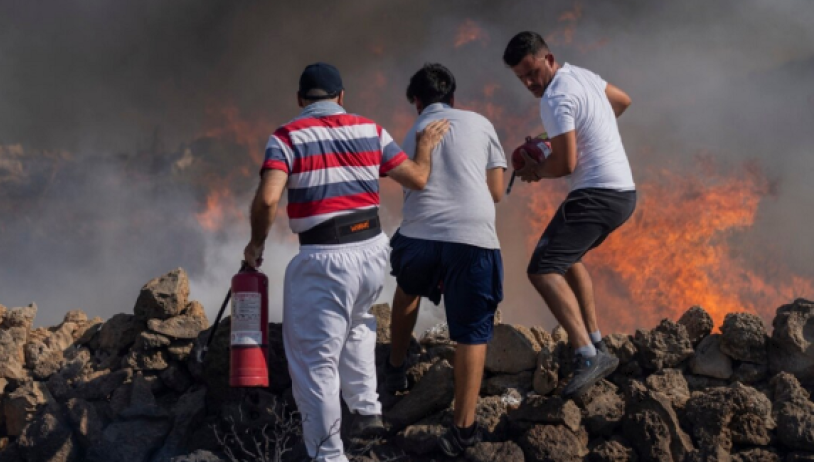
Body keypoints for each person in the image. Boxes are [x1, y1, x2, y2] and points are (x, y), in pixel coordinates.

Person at [242, 62, 449, 462]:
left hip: (323, 257)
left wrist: (255, 244)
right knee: (358, 322)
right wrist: (423, 145)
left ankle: (329, 456)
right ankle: (367, 409)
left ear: (301, 100)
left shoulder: (286, 136)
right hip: (373, 248)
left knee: (314, 361)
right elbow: (418, 177)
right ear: (341, 97)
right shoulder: (370, 129)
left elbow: (268, 199)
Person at [502, 31, 636, 398]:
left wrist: (535, 172)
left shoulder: (556, 96)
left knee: (542, 269)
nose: (530, 83)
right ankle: (596, 342)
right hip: (623, 192)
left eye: (532, 72)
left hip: (596, 193)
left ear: (548, 59)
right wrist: (579, 132)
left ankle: (587, 354)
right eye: (521, 78)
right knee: (567, 258)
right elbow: (622, 101)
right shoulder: (581, 76)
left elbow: (566, 163)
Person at [384, 63, 506, 457]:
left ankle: (396, 366)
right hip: (473, 240)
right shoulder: (481, 123)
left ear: (417, 102)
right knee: (471, 331)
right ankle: (463, 431)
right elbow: (497, 192)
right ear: (454, 98)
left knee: (407, 290)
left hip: (419, 239)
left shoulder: (412, 131)